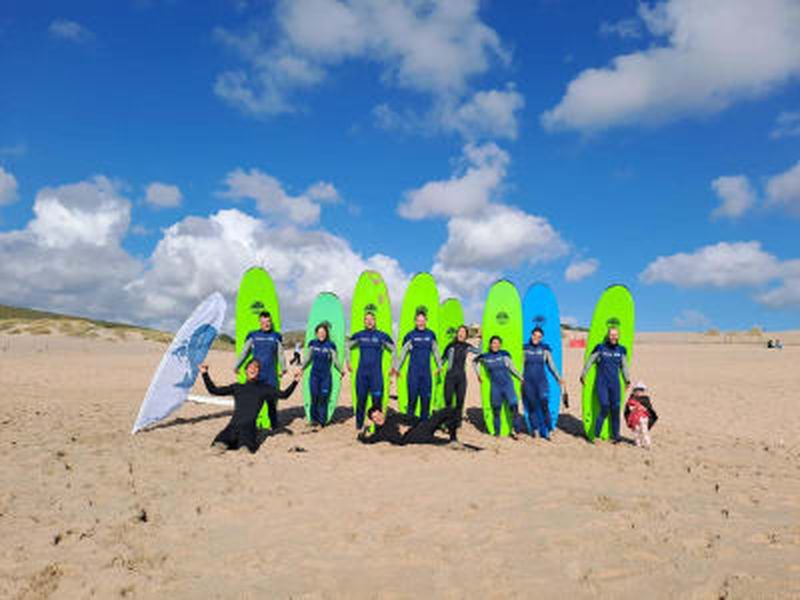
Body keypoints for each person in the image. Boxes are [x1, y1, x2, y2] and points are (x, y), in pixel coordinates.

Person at [200, 361, 300, 454]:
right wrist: (205, 373)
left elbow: (284, 395)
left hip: (249, 428)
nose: (253, 369)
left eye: (256, 368)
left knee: (244, 450)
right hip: (232, 427)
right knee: (218, 445)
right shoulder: (237, 387)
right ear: (246, 370)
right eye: (251, 367)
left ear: (259, 373)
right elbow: (214, 390)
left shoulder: (264, 389)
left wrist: (295, 381)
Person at [233, 311, 287, 428]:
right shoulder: (253, 335)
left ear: (271, 322)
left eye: (268, 322)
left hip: (271, 375)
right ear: (259, 322)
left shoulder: (276, 336)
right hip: (256, 374)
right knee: (253, 402)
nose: (266, 324)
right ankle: (251, 424)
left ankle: (274, 425)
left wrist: (283, 368)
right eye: (263, 322)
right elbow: (244, 352)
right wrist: (237, 365)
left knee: (271, 402)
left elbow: (280, 354)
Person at [580, 327, 631, 443]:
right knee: (604, 406)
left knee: (616, 409)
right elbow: (590, 361)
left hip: (615, 385)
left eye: (615, 335)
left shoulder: (621, 350)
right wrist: (583, 374)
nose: (613, 337)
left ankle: (616, 436)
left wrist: (627, 380)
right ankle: (596, 435)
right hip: (602, 383)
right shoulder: (600, 348)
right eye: (611, 334)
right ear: (608, 336)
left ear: (618, 336)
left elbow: (624, 367)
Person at [347, 312, 395, 429]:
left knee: (377, 402)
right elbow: (347, 346)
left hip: (376, 375)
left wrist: (393, 366)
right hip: (362, 374)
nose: (369, 321)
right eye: (366, 319)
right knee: (361, 402)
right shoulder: (359, 335)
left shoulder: (382, 336)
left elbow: (394, 350)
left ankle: (377, 427)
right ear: (364, 322)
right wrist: (348, 361)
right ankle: (359, 426)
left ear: (375, 321)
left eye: (371, 319)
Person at [392, 310, 442, 421]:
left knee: (426, 400)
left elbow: (436, 352)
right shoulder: (410, 335)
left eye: (423, 320)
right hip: (413, 373)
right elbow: (403, 354)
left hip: (426, 374)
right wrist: (397, 368)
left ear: (426, 321)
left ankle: (424, 425)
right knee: (412, 399)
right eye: (418, 320)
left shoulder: (431, 335)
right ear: (415, 321)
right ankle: (410, 422)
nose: (421, 323)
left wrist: (439, 366)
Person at [473, 335, 523, 438]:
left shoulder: (504, 354)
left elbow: (512, 368)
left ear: (500, 345)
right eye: (493, 343)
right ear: (490, 344)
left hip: (508, 385)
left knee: (514, 407)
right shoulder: (485, 356)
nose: (495, 345)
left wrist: (520, 377)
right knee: (496, 411)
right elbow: (474, 361)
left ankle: (516, 430)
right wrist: (478, 374)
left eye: (497, 343)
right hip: (496, 388)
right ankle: (497, 433)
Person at [522, 326, 565, 440]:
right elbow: (521, 366)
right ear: (531, 335)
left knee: (544, 404)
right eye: (534, 335)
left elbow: (551, 365)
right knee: (532, 406)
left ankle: (549, 429)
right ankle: (535, 430)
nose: (536, 338)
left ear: (541, 338)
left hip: (542, 382)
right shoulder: (524, 349)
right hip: (528, 383)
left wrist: (558, 378)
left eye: (539, 336)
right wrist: (520, 379)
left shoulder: (544, 349)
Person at [300, 323, 344, 427]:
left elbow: (335, 360)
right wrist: (301, 368)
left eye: (323, 332)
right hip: (314, 375)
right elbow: (308, 358)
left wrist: (341, 370)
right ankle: (313, 420)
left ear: (326, 333)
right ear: (316, 333)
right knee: (314, 396)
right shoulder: (312, 343)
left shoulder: (330, 345)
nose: (321, 334)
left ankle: (322, 421)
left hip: (325, 376)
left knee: (323, 397)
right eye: (319, 332)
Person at [440, 325, 479, 431]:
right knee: (448, 400)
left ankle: (457, 423)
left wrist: (481, 339)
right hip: (450, 376)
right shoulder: (450, 346)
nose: (461, 334)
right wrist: (438, 368)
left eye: (463, 332)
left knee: (460, 401)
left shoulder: (467, 346)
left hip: (461, 377)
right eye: (459, 331)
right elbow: (443, 359)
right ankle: (447, 421)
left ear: (466, 335)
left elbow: (479, 351)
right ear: (457, 333)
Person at [357, 405, 459, 446]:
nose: (378, 418)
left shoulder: (394, 417)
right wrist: (363, 431)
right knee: (443, 442)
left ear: (382, 413)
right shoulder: (380, 434)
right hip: (415, 437)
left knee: (449, 410)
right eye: (374, 418)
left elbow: (412, 419)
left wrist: (434, 425)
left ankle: (452, 434)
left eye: (378, 414)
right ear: (373, 421)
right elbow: (367, 440)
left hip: (422, 426)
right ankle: (454, 442)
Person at [624, 381, 658, 449]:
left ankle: (647, 443)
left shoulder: (645, 399)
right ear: (634, 391)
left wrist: (643, 408)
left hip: (643, 418)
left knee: (644, 431)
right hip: (635, 419)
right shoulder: (631, 399)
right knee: (636, 431)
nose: (640, 392)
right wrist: (634, 407)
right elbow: (629, 409)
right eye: (638, 390)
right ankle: (637, 443)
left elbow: (649, 408)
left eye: (641, 390)